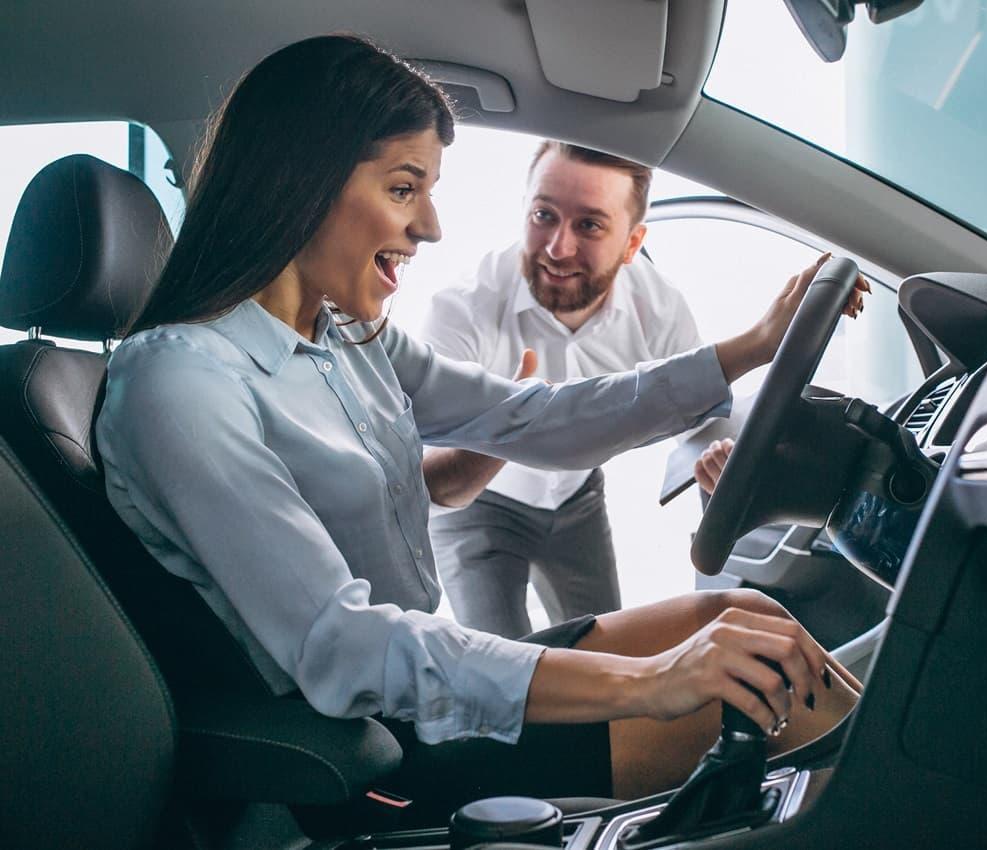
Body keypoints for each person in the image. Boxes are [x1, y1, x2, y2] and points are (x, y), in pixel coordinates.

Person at [96, 34, 868, 821]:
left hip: (423, 699)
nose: (430, 225)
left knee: (747, 625)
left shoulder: (347, 340)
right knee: (753, 699)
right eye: (405, 189)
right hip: (369, 750)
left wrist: (751, 346)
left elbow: (536, 417)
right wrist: (656, 680)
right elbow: (342, 646)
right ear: (305, 181)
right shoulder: (180, 380)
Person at [419, 142, 702, 638]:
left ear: (633, 244)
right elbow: (427, 473)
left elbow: (702, 415)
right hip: (477, 507)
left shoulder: (658, 308)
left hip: (577, 502)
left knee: (608, 652)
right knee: (502, 672)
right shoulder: (462, 309)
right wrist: (513, 418)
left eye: (589, 225)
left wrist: (718, 458)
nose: (558, 248)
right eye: (543, 215)